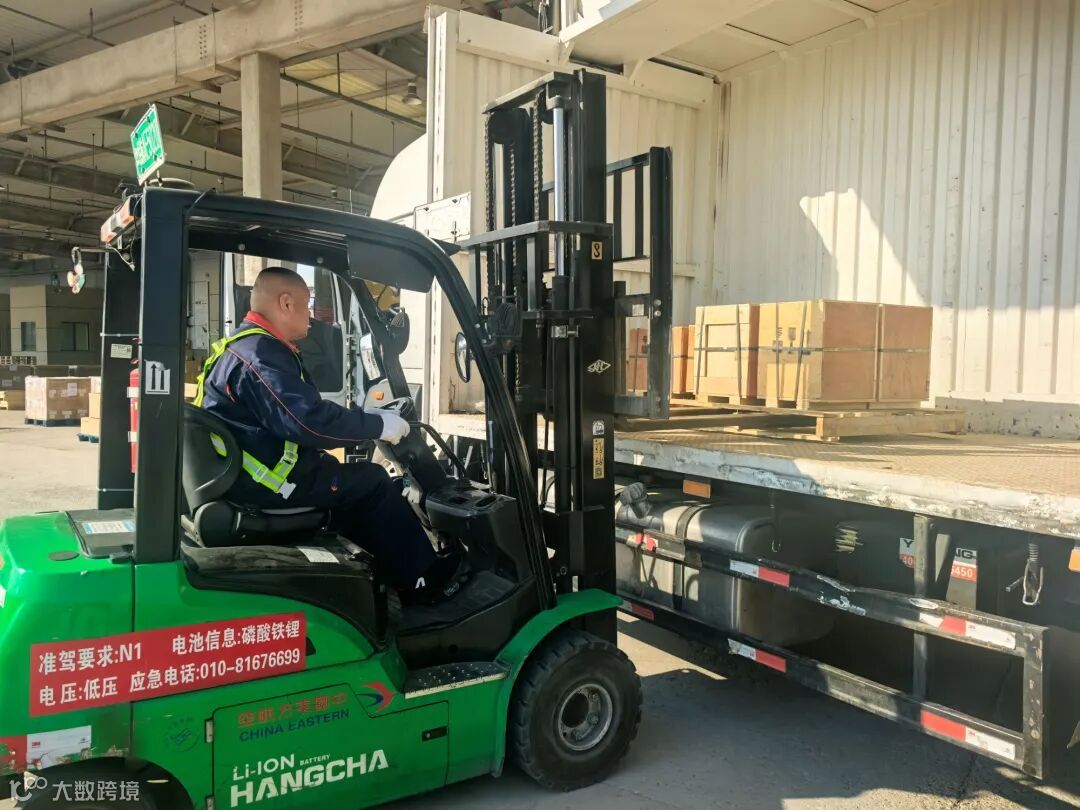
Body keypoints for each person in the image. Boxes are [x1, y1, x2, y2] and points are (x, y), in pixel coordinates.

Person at [195, 266, 461, 601]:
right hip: (272, 486)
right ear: (286, 303)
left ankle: (378, 575)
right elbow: (309, 421)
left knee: (354, 483)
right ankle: (422, 582)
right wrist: (378, 426)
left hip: (252, 477)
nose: (311, 316)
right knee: (374, 481)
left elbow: (298, 412)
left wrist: (364, 419)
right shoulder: (261, 355)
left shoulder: (241, 346)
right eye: (306, 305)